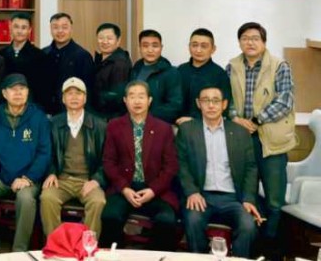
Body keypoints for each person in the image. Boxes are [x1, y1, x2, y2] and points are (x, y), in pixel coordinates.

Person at [226, 22, 297, 260]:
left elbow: (285, 101)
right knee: (248, 196)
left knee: (274, 200)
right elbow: (226, 99)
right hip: (242, 140)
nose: (250, 42)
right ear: (239, 42)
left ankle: (272, 248)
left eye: (255, 38)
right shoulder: (232, 66)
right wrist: (235, 117)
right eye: (245, 38)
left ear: (264, 42)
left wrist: (256, 120)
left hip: (272, 141)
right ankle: (252, 248)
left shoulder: (279, 65)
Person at [177, 86, 261, 258]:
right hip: (202, 196)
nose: (211, 105)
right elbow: (180, 163)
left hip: (232, 198)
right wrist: (192, 191)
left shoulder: (240, 132)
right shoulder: (187, 130)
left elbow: (251, 167)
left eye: (215, 101)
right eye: (206, 100)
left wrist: (248, 198)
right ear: (198, 104)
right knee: (193, 220)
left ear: (224, 104)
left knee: (248, 226)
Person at [0, 74, 51, 253]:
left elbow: (44, 153)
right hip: (1, 177)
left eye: (22, 89)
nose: (18, 93)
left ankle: (19, 250)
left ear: (28, 92)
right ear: (4, 93)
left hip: (28, 178)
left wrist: (28, 178)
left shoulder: (38, 118)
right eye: (13, 89)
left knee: (25, 199)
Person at [99, 80, 179, 252]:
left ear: (149, 100)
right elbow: (109, 162)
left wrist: (153, 190)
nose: (137, 101)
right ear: (125, 100)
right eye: (132, 96)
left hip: (155, 190)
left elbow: (171, 166)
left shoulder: (164, 129)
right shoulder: (114, 126)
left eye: (141, 96)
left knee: (166, 220)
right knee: (110, 216)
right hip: (124, 188)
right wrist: (124, 189)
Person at [40, 77, 107, 237]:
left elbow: (107, 159)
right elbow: (46, 153)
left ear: (85, 98)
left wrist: (96, 180)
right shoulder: (53, 123)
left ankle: (87, 245)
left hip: (87, 180)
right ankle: (55, 244)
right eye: (69, 93)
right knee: (47, 198)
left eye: (78, 93)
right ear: (63, 99)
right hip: (62, 179)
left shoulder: (99, 125)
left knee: (98, 201)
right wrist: (51, 172)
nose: (74, 97)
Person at [176, 28, 231, 124]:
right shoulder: (180, 70)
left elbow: (223, 108)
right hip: (177, 123)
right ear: (189, 46)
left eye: (204, 46)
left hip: (207, 126)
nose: (198, 50)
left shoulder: (220, 74)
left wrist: (196, 120)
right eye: (194, 45)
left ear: (213, 49)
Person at [0, 12, 50, 114]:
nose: (19, 31)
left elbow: (44, 89)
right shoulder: (0, 54)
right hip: (5, 108)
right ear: (10, 28)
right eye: (16, 27)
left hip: (31, 109)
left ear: (29, 30)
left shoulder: (40, 56)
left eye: (24, 27)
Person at [44, 13, 95, 115]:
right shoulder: (43, 54)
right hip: (46, 112)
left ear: (71, 29)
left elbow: (88, 89)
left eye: (64, 27)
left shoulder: (83, 56)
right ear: (50, 29)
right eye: (55, 27)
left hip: (72, 112)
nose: (60, 31)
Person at [130, 29, 183, 124]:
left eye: (155, 46)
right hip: (134, 122)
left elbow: (174, 105)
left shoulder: (171, 73)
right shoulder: (135, 69)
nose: (150, 50)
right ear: (139, 48)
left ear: (161, 47)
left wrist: (146, 116)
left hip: (159, 124)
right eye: (145, 46)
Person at [91, 22, 132, 120]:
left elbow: (117, 96)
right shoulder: (101, 59)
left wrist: (91, 98)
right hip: (99, 114)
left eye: (109, 38)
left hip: (110, 117)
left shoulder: (120, 63)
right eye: (101, 38)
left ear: (118, 40)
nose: (104, 42)